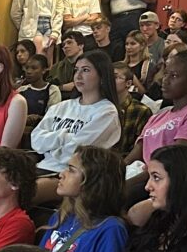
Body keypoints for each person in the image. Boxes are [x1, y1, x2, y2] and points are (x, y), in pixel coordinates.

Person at [37, 146, 127, 252]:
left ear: (93, 181)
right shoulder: (60, 217)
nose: (61, 174)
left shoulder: (110, 228)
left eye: (71, 170)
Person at [31, 49, 121, 189]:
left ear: (102, 76)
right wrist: (63, 137)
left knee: (18, 192)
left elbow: (76, 153)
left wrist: (49, 147)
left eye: (85, 70)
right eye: (76, 70)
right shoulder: (61, 107)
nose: (78, 75)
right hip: (42, 167)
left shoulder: (106, 112)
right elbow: (35, 140)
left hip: (73, 176)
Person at [124, 49, 187, 173]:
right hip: (145, 175)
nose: (165, 80)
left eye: (173, 76)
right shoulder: (157, 117)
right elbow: (133, 156)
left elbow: (176, 162)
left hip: (170, 181)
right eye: (165, 74)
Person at [113, 62, 153, 153]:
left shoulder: (141, 110)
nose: (109, 81)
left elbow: (141, 146)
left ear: (128, 83)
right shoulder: (100, 106)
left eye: (115, 77)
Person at [15, 54, 61, 130]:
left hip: (42, 131)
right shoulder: (21, 90)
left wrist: (37, 118)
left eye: (34, 68)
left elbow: (53, 117)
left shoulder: (52, 90)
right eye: (27, 68)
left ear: (43, 70)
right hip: (20, 129)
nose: (29, 71)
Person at [121, 29, 161, 101]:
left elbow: (148, 94)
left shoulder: (150, 65)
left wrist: (132, 77)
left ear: (142, 46)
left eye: (133, 44)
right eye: (127, 44)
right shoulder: (121, 65)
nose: (128, 47)